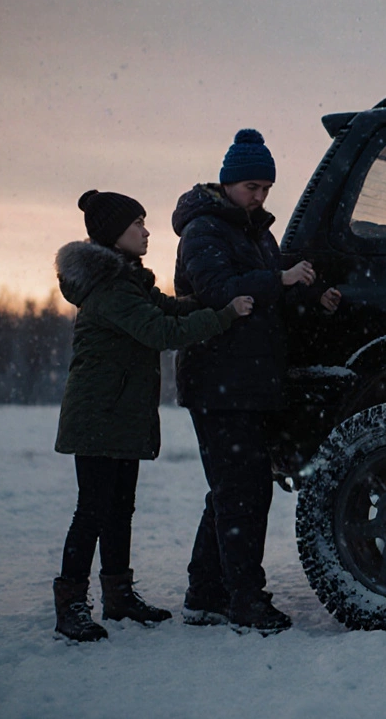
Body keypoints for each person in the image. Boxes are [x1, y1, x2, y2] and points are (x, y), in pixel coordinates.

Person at [53, 190, 254, 643]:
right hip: (99, 416)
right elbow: (161, 331)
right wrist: (224, 315)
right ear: (113, 234)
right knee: (92, 511)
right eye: (137, 224)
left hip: (120, 414)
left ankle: (119, 596)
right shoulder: (110, 288)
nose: (146, 232)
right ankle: (71, 605)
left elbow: (170, 309)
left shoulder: (130, 282)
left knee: (119, 508)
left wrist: (212, 299)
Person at [172, 128, 341, 634]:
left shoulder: (255, 232)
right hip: (219, 382)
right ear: (228, 183)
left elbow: (265, 294)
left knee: (232, 490)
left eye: (266, 188)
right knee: (241, 492)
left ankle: (206, 593)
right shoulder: (204, 231)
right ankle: (245, 599)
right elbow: (217, 290)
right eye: (252, 187)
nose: (260, 196)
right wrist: (280, 279)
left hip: (247, 381)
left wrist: (310, 294)